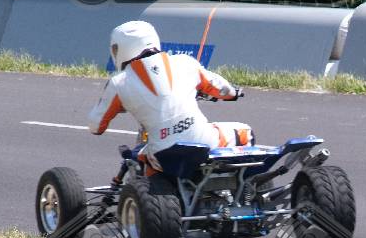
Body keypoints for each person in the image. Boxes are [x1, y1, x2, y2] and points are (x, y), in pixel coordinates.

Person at [87, 20, 250, 172]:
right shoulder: (184, 62)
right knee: (244, 132)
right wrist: (234, 93)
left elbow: (96, 126)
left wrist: (119, 105)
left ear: (123, 48)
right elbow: (220, 88)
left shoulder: (118, 83)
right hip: (205, 143)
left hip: (161, 156)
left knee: (140, 159)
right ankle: (243, 184)